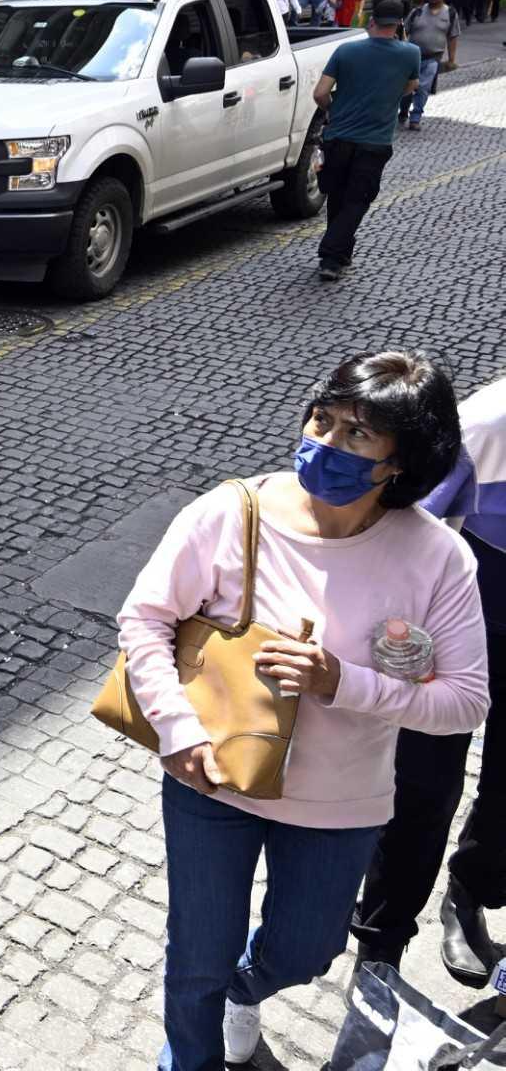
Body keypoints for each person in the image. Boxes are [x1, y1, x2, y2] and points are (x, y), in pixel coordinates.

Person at [119, 351, 486, 1071]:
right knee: (195, 957)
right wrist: (176, 728)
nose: (325, 442)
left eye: (357, 435)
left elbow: (463, 702)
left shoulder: (437, 559)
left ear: (400, 463)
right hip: (211, 776)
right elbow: (144, 621)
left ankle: (242, 993)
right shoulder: (231, 511)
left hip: (339, 802)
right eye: (323, 418)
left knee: (306, 949)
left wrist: (340, 681)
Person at [354, 377, 506, 985]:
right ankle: (381, 945)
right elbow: (407, 528)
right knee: (422, 787)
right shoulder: (488, 422)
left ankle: (470, 892)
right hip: (463, 621)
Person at [309, 0, 419, 282]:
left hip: (338, 137)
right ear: (399, 25)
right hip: (374, 142)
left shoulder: (346, 50)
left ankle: (339, 255)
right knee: (358, 199)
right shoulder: (411, 53)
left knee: (338, 195)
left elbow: (320, 93)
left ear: (371, 21)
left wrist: (335, 108)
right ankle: (331, 255)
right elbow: (410, 88)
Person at [400, 0, 462, 131]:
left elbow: (452, 37)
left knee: (422, 87)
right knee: (407, 86)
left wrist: (452, 59)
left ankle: (415, 117)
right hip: (412, 57)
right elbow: (404, 31)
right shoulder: (417, 11)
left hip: (433, 58)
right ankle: (403, 110)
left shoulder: (450, 14)